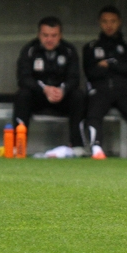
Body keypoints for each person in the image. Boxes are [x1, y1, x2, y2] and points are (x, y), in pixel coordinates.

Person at [83, 5, 127, 160]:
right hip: (100, 89)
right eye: (105, 21)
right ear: (100, 23)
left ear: (119, 22)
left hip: (124, 89)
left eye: (113, 21)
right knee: (93, 114)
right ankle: (97, 149)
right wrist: (118, 66)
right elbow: (90, 72)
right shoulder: (91, 47)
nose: (109, 25)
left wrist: (110, 64)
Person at [13, 16, 86, 158]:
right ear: (39, 34)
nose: (49, 39)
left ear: (60, 35)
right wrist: (44, 89)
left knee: (78, 96)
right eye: (45, 35)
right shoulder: (30, 50)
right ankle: (19, 145)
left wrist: (62, 90)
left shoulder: (69, 50)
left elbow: (74, 78)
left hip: (61, 98)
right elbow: (23, 78)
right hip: (38, 97)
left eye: (54, 35)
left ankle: (77, 145)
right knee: (22, 95)